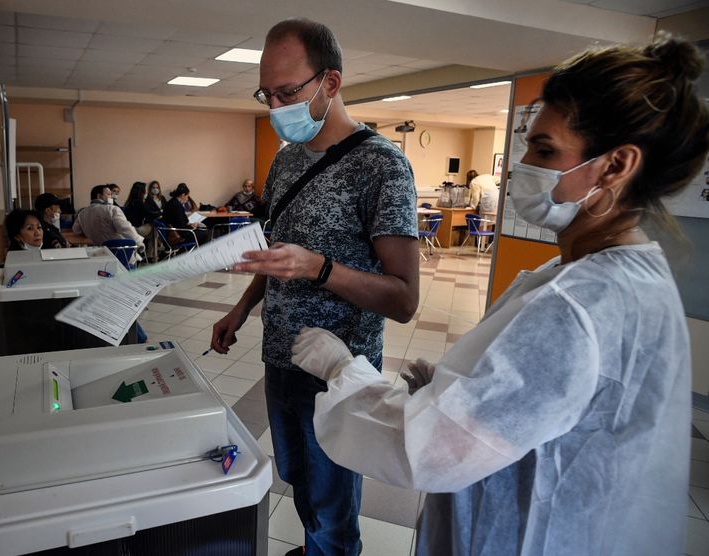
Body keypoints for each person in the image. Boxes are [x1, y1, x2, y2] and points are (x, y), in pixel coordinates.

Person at [289, 34, 709, 556]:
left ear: (616, 165)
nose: (521, 165)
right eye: (528, 143)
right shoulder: (599, 274)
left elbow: (431, 452)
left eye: (546, 150)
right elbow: (542, 407)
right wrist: (450, 391)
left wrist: (343, 372)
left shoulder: (582, 302)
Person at [210, 18, 419, 556]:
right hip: (279, 358)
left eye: (287, 91)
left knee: (332, 508)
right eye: (267, 93)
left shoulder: (383, 167)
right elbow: (277, 251)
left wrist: (320, 268)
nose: (276, 106)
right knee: (301, 486)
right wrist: (241, 308)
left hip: (338, 373)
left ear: (330, 82)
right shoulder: (285, 159)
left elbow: (404, 299)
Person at [73, 184, 144, 258]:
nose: (111, 197)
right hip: (121, 253)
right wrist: (139, 242)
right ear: (99, 196)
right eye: (109, 194)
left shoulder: (82, 213)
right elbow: (126, 229)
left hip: (99, 254)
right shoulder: (112, 209)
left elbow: (76, 230)